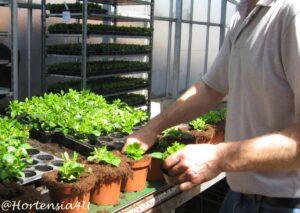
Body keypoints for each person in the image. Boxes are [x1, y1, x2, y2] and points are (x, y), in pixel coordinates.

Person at [123, 0, 300, 212]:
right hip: (240, 197)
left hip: (284, 204)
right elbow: (210, 88)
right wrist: (150, 129)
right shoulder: (243, 14)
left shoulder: (292, 12)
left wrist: (219, 157)